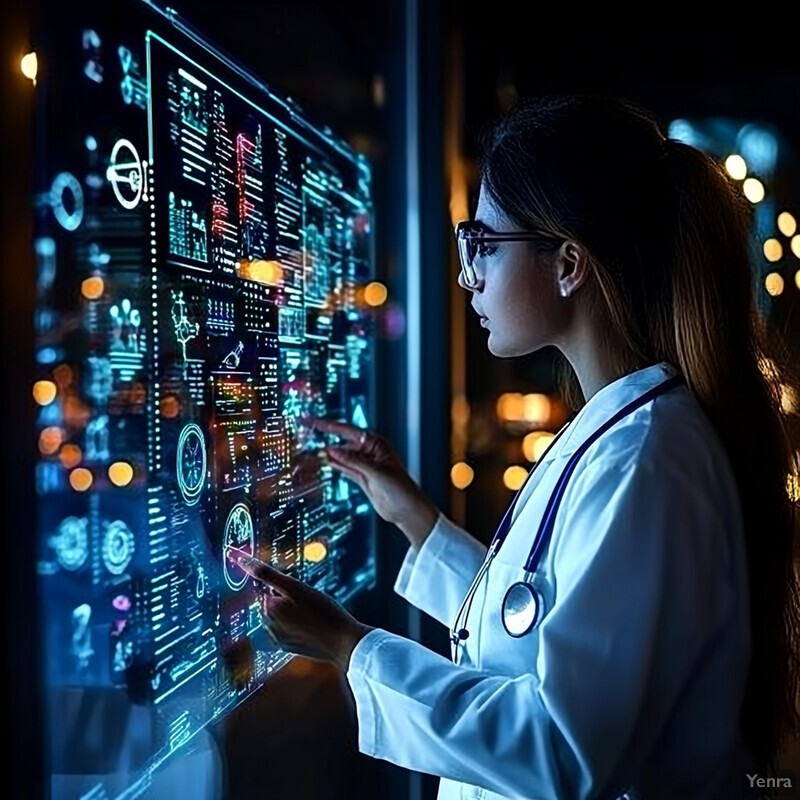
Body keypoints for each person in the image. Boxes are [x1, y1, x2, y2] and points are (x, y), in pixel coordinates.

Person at [235, 94, 800, 799]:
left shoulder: (646, 459)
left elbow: (562, 749)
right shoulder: (627, 433)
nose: (468, 274)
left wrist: (350, 648)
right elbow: (538, 620)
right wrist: (416, 519)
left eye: (483, 244)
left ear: (568, 264)